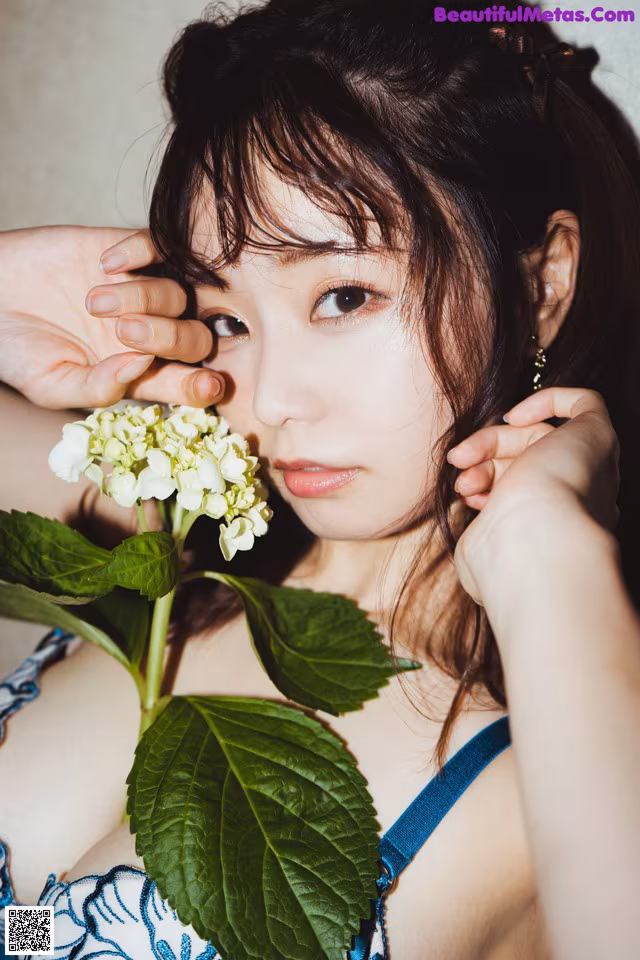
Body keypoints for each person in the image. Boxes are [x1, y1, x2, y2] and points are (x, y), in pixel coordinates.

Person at [1, 0, 640, 957]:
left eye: (343, 296)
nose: (269, 400)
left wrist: (550, 552)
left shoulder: (560, 750)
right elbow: (33, 930)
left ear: (543, 283)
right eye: (228, 319)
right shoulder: (153, 536)